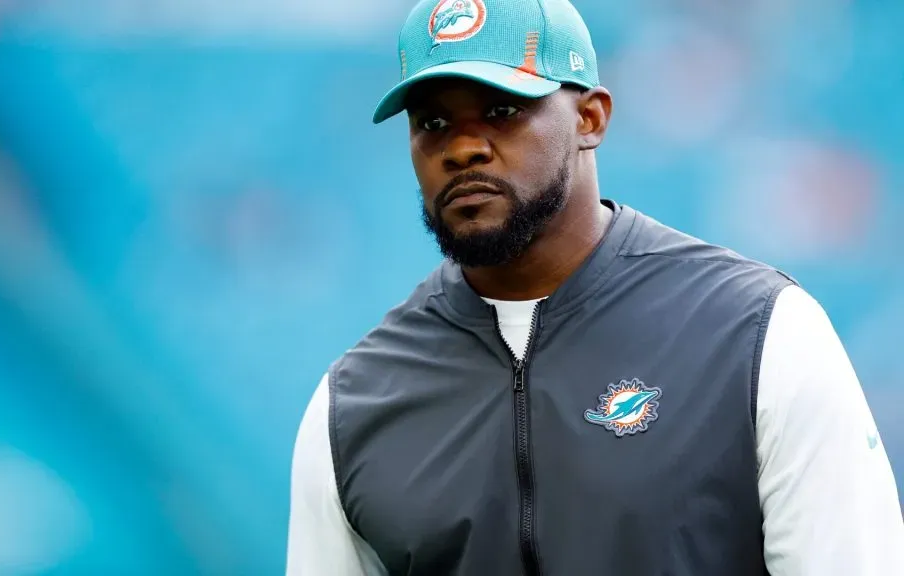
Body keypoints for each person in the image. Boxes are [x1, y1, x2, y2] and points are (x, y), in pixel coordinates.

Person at [286, 0, 904, 574]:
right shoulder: (353, 405)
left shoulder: (759, 334)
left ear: (590, 117)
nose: (464, 148)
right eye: (434, 122)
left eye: (502, 110)